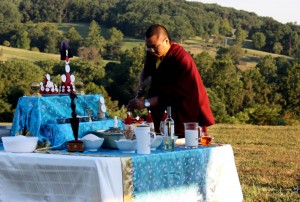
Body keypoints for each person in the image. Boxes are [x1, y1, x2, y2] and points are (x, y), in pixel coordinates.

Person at [126, 24, 215, 138]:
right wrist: (141, 87)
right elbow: (147, 72)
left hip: (183, 112)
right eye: (148, 47)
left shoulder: (181, 59)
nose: (151, 51)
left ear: (166, 41)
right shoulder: (154, 52)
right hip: (164, 112)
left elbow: (175, 94)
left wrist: (145, 103)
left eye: (154, 46)